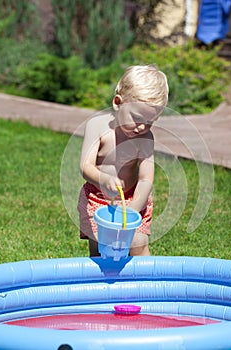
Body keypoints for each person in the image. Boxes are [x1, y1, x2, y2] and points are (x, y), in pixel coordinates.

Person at [77, 65, 169, 257]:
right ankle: (102, 284)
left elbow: (146, 179)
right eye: (136, 117)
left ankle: (147, 283)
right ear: (118, 103)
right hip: (97, 198)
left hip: (132, 200)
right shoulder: (97, 126)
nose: (142, 126)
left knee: (138, 243)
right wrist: (103, 179)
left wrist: (132, 211)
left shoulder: (145, 138)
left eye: (150, 121)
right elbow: (85, 166)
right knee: (100, 247)